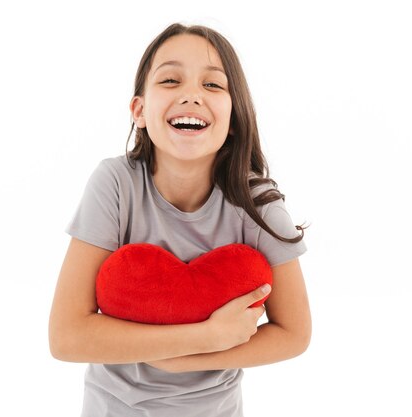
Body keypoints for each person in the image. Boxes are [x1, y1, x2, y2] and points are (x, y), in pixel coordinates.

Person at [49, 22, 311, 417]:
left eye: (212, 85)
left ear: (234, 117)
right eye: (170, 80)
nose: (191, 95)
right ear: (139, 110)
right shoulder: (115, 184)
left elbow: (295, 334)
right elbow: (66, 337)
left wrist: (185, 359)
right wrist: (208, 337)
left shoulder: (258, 203)